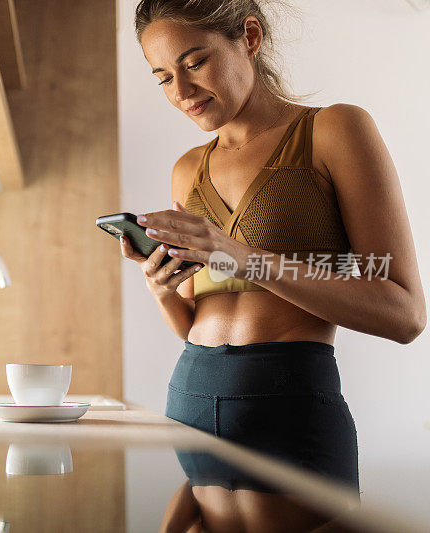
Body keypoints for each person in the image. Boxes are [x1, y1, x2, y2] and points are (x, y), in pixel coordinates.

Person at [120, 0, 427, 526]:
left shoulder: (333, 131)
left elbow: (403, 313)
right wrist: (163, 289)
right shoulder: (188, 170)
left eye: (195, 63)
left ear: (251, 37)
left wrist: (243, 258)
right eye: (163, 77)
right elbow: (195, 325)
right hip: (192, 403)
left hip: (290, 401)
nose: (182, 92)